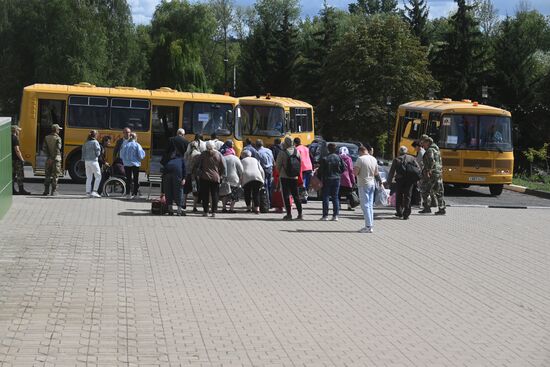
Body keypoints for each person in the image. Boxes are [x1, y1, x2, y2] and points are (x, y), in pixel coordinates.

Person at [354, 145, 383, 233]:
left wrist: (353, 170)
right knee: (370, 205)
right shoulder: (373, 159)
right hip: (371, 183)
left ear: (361, 151)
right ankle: (370, 224)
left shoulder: (360, 159)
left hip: (363, 184)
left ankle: (368, 226)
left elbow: (355, 172)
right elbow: (376, 172)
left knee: (365, 205)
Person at [386, 146, 420, 220]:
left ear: (399, 152)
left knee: (399, 196)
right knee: (408, 196)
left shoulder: (396, 159)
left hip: (399, 180)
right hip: (410, 180)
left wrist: (388, 182)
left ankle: (399, 212)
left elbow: (392, 172)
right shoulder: (412, 158)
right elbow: (418, 168)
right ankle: (406, 214)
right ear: (406, 151)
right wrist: (416, 179)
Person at [275, 136, 303, 220]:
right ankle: (300, 214)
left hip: (284, 177)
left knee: (286, 195)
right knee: (296, 195)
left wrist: (280, 173)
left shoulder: (282, 152)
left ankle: (289, 214)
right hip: (294, 176)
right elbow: (300, 163)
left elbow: (278, 166)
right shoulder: (297, 151)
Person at [196, 141, 225, 217]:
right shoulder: (219, 154)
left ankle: (205, 211)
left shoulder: (203, 154)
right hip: (215, 178)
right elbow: (223, 166)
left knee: (205, 195)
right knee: (215, 195)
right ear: (214, 146)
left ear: (206, 146)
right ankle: (214, 212)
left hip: (204, 177)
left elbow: (198, 165)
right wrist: (221, 175)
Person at [419, 134, 446, 215]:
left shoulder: (430, 150)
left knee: (424, 189)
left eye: (423, 143)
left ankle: (427, 207)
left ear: (427, 142)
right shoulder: (437, 150)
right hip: (438, 173)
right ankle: (442, 208)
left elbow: (432, 161)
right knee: (439, 191)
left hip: (431, 174)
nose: (422, 145)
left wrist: (428, 171)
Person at [318, 142, 345, 221]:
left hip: (327, 178)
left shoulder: (325, 158)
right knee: (335, 197)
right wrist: (338, 173)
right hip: (336, 178)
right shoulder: (339, 158)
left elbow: (321, 170)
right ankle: (335, 215)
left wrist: (320, 178)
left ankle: (325, 215)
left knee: (326, 196)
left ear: (328, 149)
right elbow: (343, 168)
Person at [163, 141, 187, 216]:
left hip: (167, 174)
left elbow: (163, 166)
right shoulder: (181, 158)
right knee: (178, 191)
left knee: (168, 191)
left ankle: (170, 209)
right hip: (177, 174)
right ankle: (179, 210)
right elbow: (184, 169)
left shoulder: (167, 157)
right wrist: (184, 178)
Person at [120, 132, 145, 199]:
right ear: (135, 137)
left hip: (127, 164)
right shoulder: (137, 145)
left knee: (128, 179)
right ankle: (135, 194)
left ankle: (128, 194)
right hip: (135, 164)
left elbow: (121, 155)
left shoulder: (125, 145)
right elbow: (141, 155)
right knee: (136, 179)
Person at [221, 140, 243, 213]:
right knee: (234, 194)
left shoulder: (223, 158)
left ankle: (224, 208)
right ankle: (231, 208)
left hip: (225, 178)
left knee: (224, 194)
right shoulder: (236, 158)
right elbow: (241, 170)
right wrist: (241, 177)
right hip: (234, 179)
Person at [43, 124, 63, 196]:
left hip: (48, 159)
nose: (59, 131)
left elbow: (44, 149)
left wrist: (49, 157)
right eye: (59, 129)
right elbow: (58, 149)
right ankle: (54, 191)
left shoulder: (46, 137)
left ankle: (46, 191)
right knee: (55, 175)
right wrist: (54, 157)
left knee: (47, 175)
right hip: (56, 159)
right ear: (56, 130)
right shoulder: (58, 138)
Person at [81, 130, 102, 198]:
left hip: (86, 161)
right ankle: (94, 191)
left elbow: (83, 151)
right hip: (94, 161)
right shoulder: (95, 142)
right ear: (95, 135)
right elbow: (98, 152)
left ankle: (88, 193)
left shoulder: (86, 142)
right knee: (98, 176)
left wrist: (83, 159)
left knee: (89, 177)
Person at [11, 125, 30, 195]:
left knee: (12, 175)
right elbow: (17, 150)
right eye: (18, 130)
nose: (19, 131)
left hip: (11, 159)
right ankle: (21, 190)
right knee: (20, 175)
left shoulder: (8, 138)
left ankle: (12, 190)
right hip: (16, 160)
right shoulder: (15, 138)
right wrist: (22, 159)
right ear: (15, 131)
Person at [184, 140, 202, 212]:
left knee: (185, 191)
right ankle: (194, 207)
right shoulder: (198, 154)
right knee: (195, 191)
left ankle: (184, 204)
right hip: (195, 176)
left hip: (187, 175)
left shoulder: (187, 153)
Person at [256, 139, 274, 206]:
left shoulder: (258, 152)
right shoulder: (269, 150)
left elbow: (258, 163)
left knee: (264, 186)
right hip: (270, 168)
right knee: (270, 186)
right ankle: (271, 201)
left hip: (263, 169)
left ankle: (267, 202)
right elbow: (272, 160)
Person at [294, 137, 313, 203]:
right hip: (309, 166)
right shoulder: (306, 148)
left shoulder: (297, 149)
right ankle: (306, 196)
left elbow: (296, 158)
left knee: (302, 183)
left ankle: (303, 197)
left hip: (303, 167)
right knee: (307, 183)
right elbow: (311, 156)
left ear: (295, 143)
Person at [338, 146, 356, 211]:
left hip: (338, 178)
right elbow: (351, 170)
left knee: (338, 193)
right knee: (348, 193)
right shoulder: (348, 159)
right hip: (347, 178)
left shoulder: (338, 157)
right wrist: (353, 180)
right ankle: (349, 206)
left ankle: (338, 205)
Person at [411, 140, 425, 206]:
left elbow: (418, 163)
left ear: (417, 146)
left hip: (421, 172)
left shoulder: (421, 153)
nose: (414, 149)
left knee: (420, 188)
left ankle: (420, 203)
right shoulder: (421, 151)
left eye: (414, 147)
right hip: (422, 172)